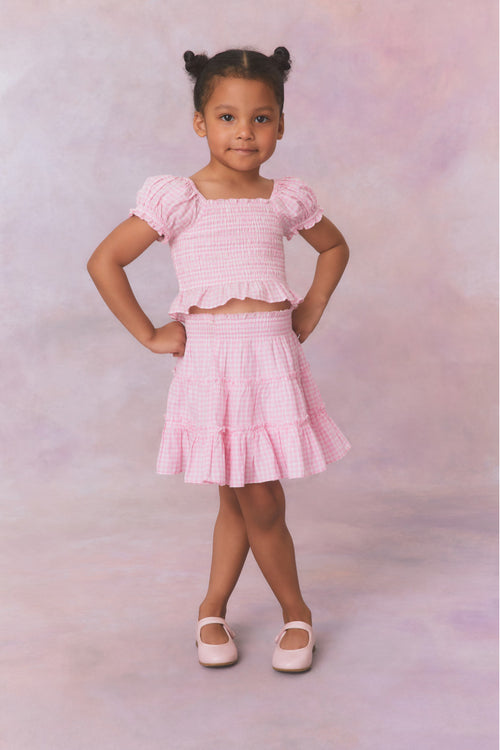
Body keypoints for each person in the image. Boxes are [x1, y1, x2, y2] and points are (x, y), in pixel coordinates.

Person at [87, 46, 351, 673]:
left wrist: (310, 309)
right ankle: (280, 610)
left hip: (270, 363)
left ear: (281, 125)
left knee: (249, 499)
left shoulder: (284, 198)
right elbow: (106, 260)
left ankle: (237, 609)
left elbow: (334, 247)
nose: (245, 132)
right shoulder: (180, 198)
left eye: (261, 118)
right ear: (200, 122)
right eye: (228, 117)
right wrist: (150, 334)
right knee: (247, 498)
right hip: (212, 367)